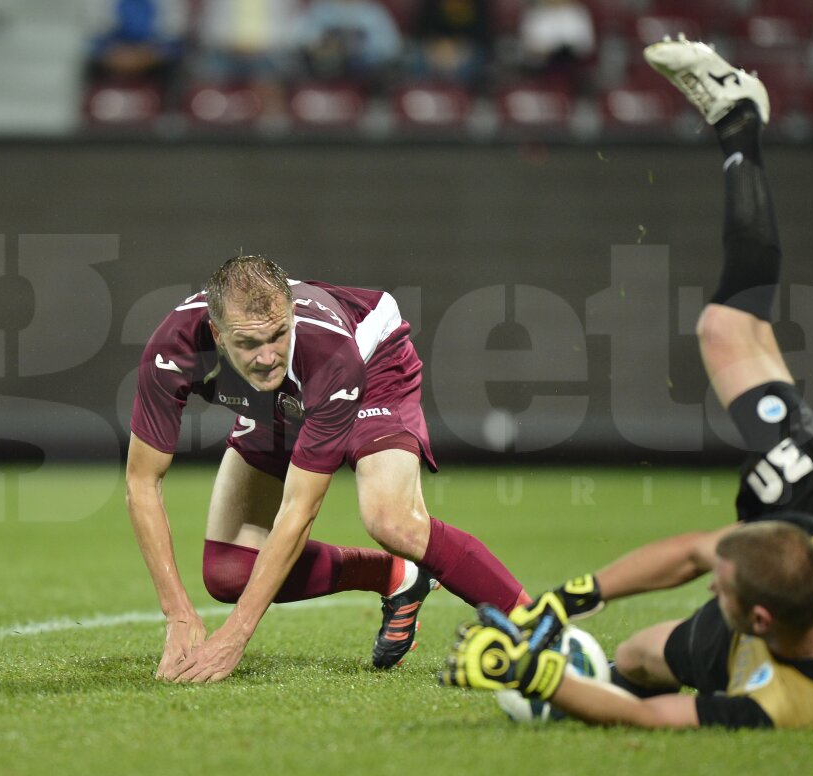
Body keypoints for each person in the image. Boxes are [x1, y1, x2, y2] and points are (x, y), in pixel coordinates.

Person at [440, 38, 813, 730]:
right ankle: (740, 123)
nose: (709, 577)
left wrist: (536, 674)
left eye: (720, 587)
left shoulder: (795, 701)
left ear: (754, 620)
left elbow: (662, 719)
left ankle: (743, 119)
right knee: (730, 329)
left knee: (634, 656)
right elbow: (699, 551)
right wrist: (571, 597)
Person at [128, 255, 531, 683]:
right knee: (228, 574)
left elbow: (299, 509)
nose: (267, 357)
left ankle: (538, 624)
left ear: (290, 317)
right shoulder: (173, 351)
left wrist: (235, 636)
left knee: (393, 522)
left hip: (372, 366)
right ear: (217, 334)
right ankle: (396, 575)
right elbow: (141, 481)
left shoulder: (329, 353)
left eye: (278, 334)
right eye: (249, 344)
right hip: (276, 402)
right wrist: (178, 614)